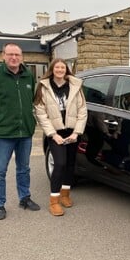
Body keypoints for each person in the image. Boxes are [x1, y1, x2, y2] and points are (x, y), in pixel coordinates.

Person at [0, 42, 40, 220]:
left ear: (22, 57)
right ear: (3, 55)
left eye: (17, 55)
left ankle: (25, 198)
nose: (14, 58)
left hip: (25, 133)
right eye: (10, 54)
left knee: (24, 169)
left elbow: (31, 101)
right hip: (3, 134)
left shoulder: (28, 76)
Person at [34, 58, 87, 216]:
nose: (60, 70)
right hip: (55, 132)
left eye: (63, 68)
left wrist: (76, 132)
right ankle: (54, 201)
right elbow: (41, 113)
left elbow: (82, 111)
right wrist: (52, 134)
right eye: (57, 67)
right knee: (60, 163)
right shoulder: (43, 87)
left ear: (66, 70)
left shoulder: (75, 86)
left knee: (70, 164)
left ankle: (65, 195)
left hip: (71, 131)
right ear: (52, 69)